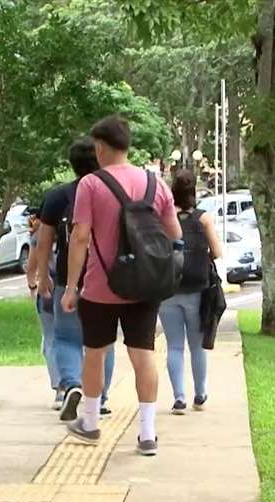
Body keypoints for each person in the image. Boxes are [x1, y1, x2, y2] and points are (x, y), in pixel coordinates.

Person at [61, 116, 182, 456]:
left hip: (101, 287)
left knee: (96, 354)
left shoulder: (90, 185)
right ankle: (147, 433)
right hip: (144, 285)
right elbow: (175, 234)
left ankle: (90, 422)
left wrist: (71, 287)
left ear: (99, 147)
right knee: (143, 355)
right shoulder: (155, 183)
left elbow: (80, 237)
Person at [36, 138, 116, 421]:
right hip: (106, 279)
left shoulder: (58, 196)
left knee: (66, 337)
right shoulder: (110, 192)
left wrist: (41, 273)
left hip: (67, 278)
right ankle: (101, 397)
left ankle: (71, 384)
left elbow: (43, 241)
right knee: (103, 341)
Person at [159, 170, 223, 415]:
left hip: (168, 290)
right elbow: (216, 252)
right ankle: (200, 393)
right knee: (196, 346)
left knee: (174, 346)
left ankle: (179, 398)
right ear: (193, 191)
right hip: (197, 290)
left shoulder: (164, 219)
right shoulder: (203, 218)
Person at [26, 208, 62, 409]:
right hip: (73, 291)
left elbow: (31, 268)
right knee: (76, 339)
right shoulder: (77, 228)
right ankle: (75, 380)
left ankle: (59, 389)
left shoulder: (38, 236)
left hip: (47, 291)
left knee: (50, 340)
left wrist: (33, 286)